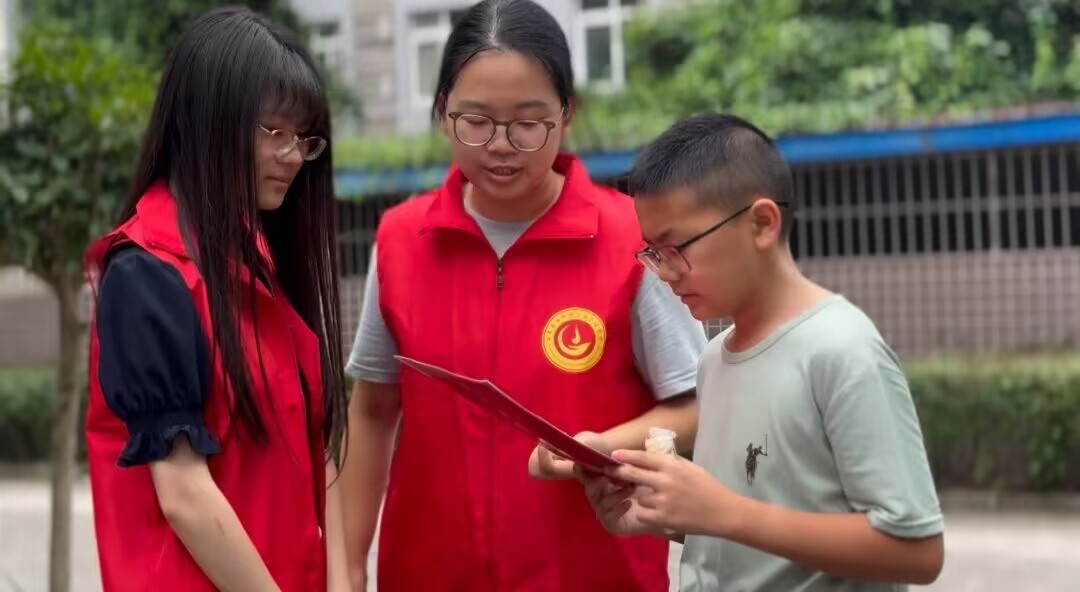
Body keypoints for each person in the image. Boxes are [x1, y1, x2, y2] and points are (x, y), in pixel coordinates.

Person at [337, 0, 706, 589]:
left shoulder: (630, 241)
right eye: (476, 120)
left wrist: (602, 446)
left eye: (529, 123)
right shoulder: (402, 240)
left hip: (592, 576)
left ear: (566, 115)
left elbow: (696, 405)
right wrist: (349, 565)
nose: (502, 145)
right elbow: (373, 410)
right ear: (441, 113)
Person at [577, 114, 946, 591]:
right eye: (653, 253)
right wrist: (665, 513)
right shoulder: (714, 359)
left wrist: (723, 512)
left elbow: (916, 551)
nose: (664, 273)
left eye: (676, 248)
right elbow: (750, 525)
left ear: (761, 223)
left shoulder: (841, 351)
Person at [84, 8, 350, 591]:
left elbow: (319, 448)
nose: (293, 156)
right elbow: (183, 492)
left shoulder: (261, 266)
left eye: (304, 138)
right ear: (206, 121)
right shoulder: (146, 274)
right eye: (274, 132)